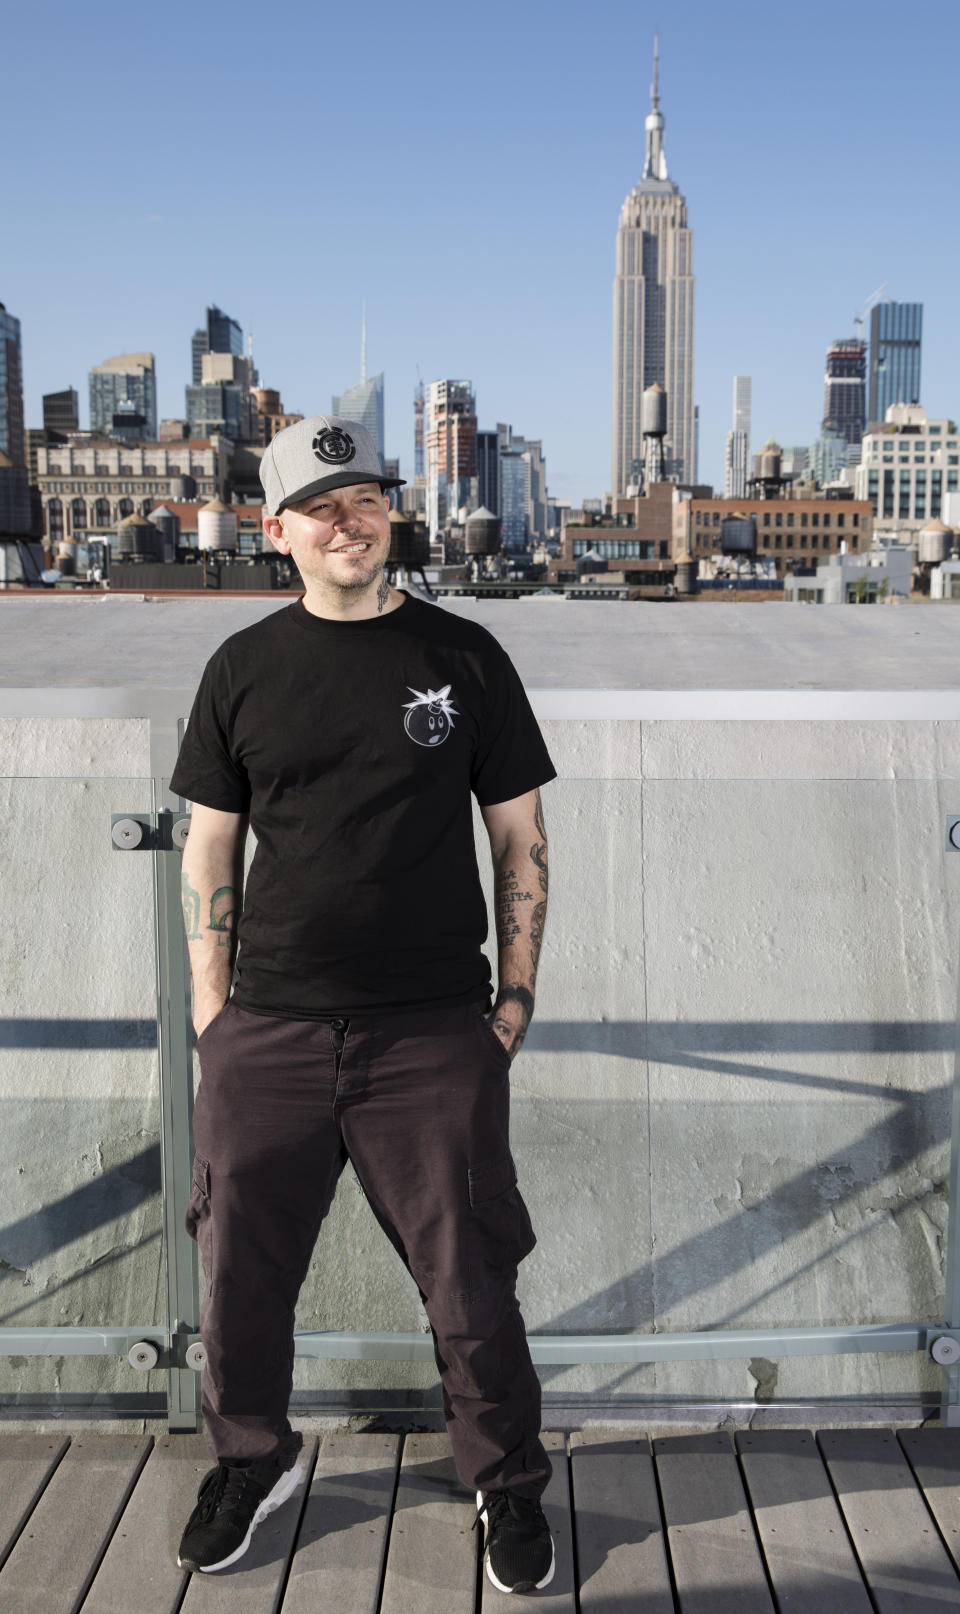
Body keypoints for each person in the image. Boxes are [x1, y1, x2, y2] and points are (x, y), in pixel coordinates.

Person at [169, 415, 557, 1595]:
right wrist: (213, 1017)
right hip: (270, 1030)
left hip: (433, 1030)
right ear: (276, 529)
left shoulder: (469, 656)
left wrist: (513, 1006)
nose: (352, 519)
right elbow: (210, 853)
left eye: (368, 497)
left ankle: (505, 1483)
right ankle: (253, 1458)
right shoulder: (241, 667)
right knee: (237, 1268)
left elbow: (522, 841)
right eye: (323, 506)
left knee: (469, 1274)